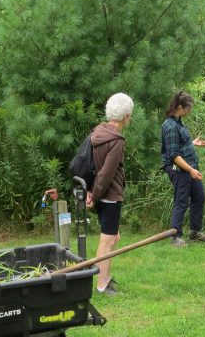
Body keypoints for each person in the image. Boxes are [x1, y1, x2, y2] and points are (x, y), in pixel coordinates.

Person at [86, 93, 134, 296]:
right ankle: (102, 285)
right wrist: (95, 195)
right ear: (125, 116)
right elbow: (106, 173)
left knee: (113, 237)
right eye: (130, 115)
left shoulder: (98, 131)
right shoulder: (117, 140)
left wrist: (90, 191)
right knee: (107, 240)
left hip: (99, 193)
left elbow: (89, 164)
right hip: (109, 195)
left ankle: (105, 277)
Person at [161, 91, 205, 247]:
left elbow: (180, 144)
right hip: (179, 169)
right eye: (188, 108)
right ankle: (175, 237)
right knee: (181, 201)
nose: (189, 111)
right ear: (179, 107)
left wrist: (192, 143)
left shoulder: (179, 121)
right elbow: (174, 155)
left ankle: (195, 232)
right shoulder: (169, 126)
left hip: (190, 167)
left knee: (199, 196)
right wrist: (190, 170)